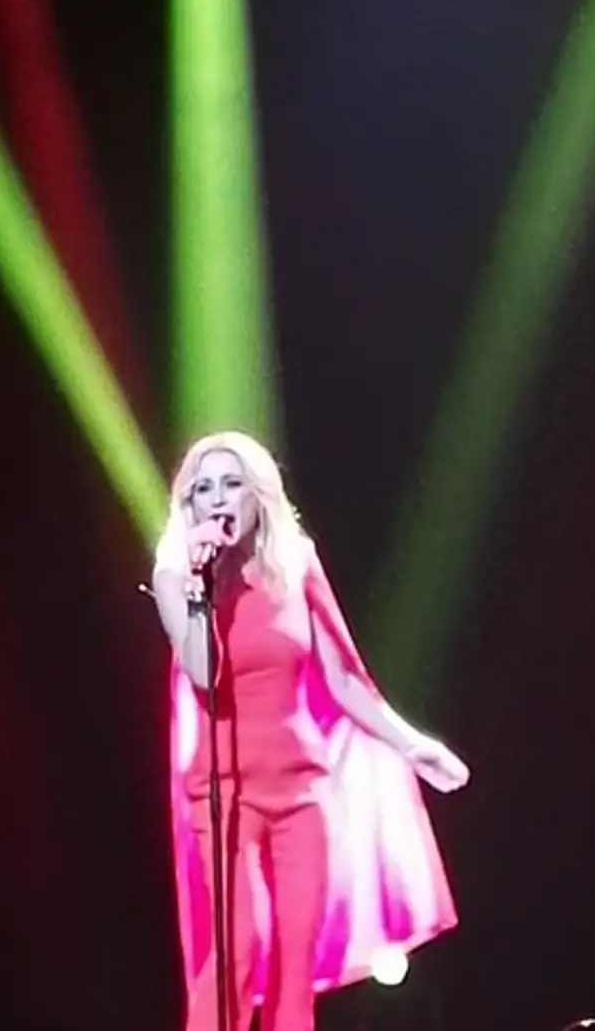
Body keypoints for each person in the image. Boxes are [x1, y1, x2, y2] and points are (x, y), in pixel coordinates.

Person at [150, 431, 470, 1031]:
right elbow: (202, 670)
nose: (217, 499)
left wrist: (412, 744)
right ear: (188, 506)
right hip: (222, 795)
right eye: (202, 489)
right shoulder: (176, 576)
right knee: (237, 948)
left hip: (302, 792)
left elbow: (344, 678)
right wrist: (198, 583)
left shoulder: (295, 564)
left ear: (258, 495)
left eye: (231, 483)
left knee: (295, 966)